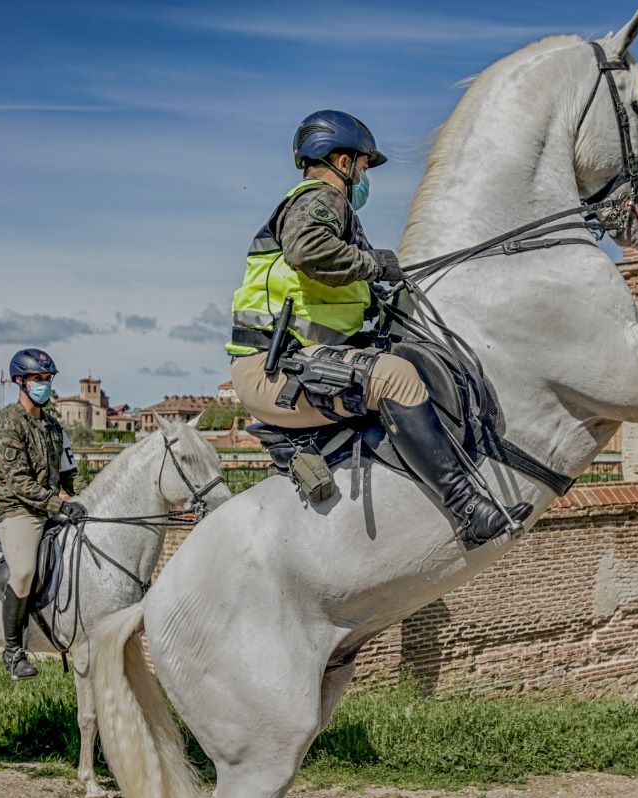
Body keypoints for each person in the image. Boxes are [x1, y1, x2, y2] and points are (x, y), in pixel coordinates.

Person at [225, 110, 529, 549]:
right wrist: (374, 265)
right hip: (274, 373)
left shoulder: (326, 206)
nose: (365, 178)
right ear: (344, 163)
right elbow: (307, 251)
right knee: (398, 379)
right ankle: (466, 510)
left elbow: (326, 294)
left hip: (286, 366)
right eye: (364, 167)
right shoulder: (322, 197)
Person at [0, 348, 85, 680]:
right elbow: (18, 483)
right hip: (18, 511)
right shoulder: (9, 424)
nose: (44, 385)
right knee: (26, 569)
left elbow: (70, 473)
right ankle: (14, 652)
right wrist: (59, 505)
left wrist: (87, 498)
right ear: (20, 381)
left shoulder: (55, 428)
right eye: (38, 379)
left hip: (49, 508)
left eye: (48, 379)